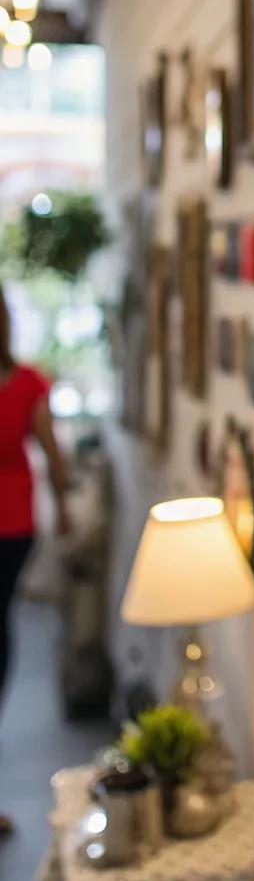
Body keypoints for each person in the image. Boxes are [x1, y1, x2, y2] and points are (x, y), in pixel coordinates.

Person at [0, 283, 71, 836]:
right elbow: (50, 451)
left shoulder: (29, 382)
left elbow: (51, 451)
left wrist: (64, 502)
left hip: (12, 524)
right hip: (14, 525)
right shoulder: (25, 383)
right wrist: (65, 504)